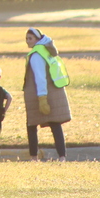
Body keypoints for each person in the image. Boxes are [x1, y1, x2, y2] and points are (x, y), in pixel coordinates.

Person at [24, 28, 71, 161]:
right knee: (55, 124)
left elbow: (40, 77)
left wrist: (42, 98)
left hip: (41, 93)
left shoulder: (36, 55)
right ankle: (62, 157)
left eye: (30, 38)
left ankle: (34, 157)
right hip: (54, 90)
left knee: (31, 125)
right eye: (26, 39)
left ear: (38, 39)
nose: (27, 41)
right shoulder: (46, 50)